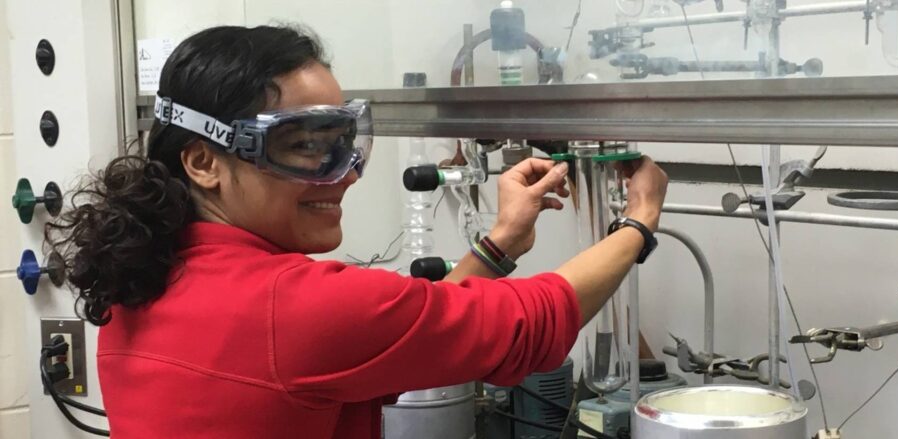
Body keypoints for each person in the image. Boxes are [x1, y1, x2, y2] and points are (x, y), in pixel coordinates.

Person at [46, 25, 668, 439]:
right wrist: (637, 221)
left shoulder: (144, 274)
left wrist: (498, 243)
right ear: (204, 160)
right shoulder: (290, 306)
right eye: (302, 147)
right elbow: (528, 324)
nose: (341, 175)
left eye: (343, 143)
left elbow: (392, 343)